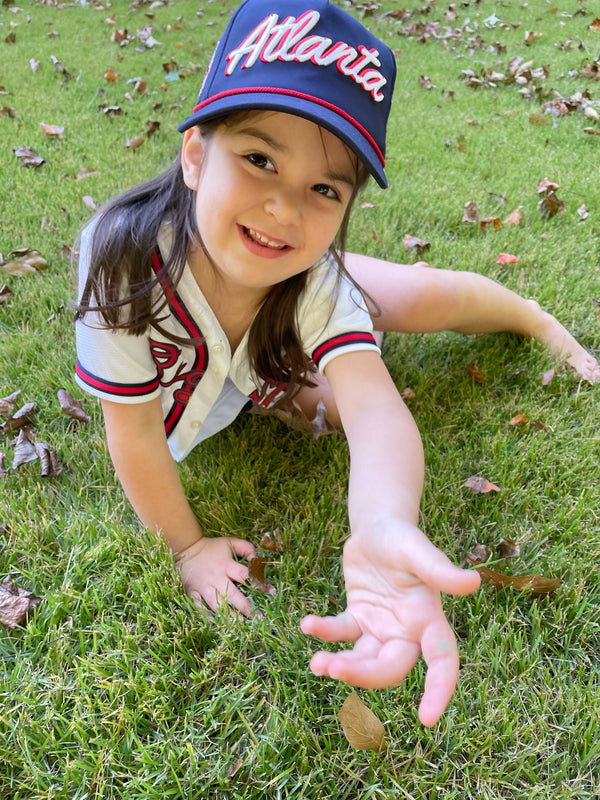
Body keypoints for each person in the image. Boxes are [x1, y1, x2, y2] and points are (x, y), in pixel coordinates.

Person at [74, 0, 598, 728]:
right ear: (195, 155)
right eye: (259, 159)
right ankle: (285, 384)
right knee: (311, 397)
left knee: (416, 296)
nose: (285, 209)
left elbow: (378, 408)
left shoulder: (313, 273)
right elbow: (131, 430)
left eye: (324, 189)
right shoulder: (122, 264)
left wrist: (384, 520)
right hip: (226, 358)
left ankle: (536, 320)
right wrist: (188, 547)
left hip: (284, 318)